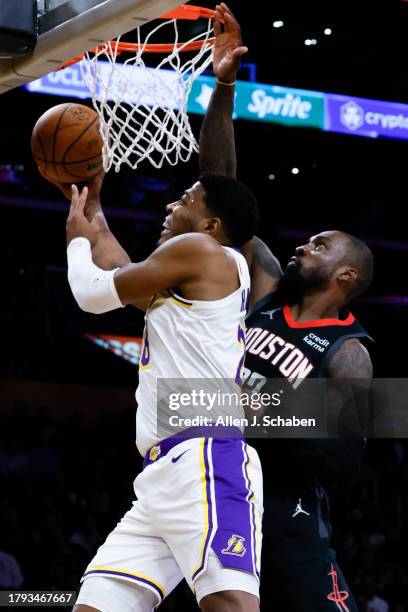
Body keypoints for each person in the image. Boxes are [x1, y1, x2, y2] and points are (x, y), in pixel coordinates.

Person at [40, 7, 263, 612]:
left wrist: (75, 237)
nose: (173, 201)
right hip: (163, 472)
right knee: (95, 604)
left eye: (187, 198)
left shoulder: (201, 251)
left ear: (211, 224)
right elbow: (122, 276)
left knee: (232, 606)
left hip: (204, 455)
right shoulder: (189, 271)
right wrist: (96, 212)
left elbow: (92, 292)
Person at [198, 4, 374, 611]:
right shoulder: (270, 288)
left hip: (290, 518)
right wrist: (223, 85)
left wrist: (257, 409)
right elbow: (223, 191)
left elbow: (348, 456)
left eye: (319, 245)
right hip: (221, 492)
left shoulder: (349, 352)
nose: (304, 244)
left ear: (345, 275)